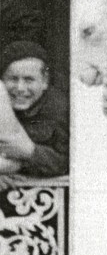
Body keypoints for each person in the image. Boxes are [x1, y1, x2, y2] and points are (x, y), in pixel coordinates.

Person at [0, 40, 69, 184]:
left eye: (29, 80)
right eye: (13, 79)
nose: (20, 88)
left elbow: (68, 163)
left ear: (44, 82)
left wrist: (30, 152)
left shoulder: (60, 111)